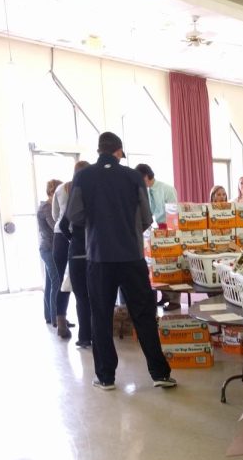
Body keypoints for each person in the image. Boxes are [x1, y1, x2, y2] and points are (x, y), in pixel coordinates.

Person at [66, 132, 177, 391]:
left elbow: (74, 214)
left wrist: (97, 224)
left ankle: (106, 377)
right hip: (131, 256)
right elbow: (147, 217)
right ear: (119, 152)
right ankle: (159, 373)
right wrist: (128, 228)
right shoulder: (133, 176)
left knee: (101, 316)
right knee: (144, 314)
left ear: (99, 150)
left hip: (99, 258)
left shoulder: (83, 176)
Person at [58, 160, 92, 348]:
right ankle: (98, 335)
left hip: (77, 253)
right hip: (95, 254)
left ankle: (84, 337)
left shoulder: (72, 198)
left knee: (81, 298)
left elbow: (63, 225)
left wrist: (74, 239)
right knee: (96, 297)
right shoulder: (97, 199)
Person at [136, 163, 179, 310]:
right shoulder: (145, 191)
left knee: (170, 264)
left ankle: (174, 300)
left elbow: (174, 212)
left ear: (146, 176)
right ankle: (164, 295)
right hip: (152, 230)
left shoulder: (166, 189)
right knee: (156, 265)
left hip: (168, 229)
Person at [50, 176, 75, 339]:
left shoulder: (59, 189)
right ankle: (89, 323)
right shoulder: (84, 186)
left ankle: (61, 323)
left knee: (62, 283)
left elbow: (55, 216)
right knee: (83, 283)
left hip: (59, 237)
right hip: (78, 237)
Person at [38, 179, 62, 326]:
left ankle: (49, 315)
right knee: (56, 282)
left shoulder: (44, 206)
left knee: (50, 282)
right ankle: (57, 319)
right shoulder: (47, 207)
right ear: (52, 192)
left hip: (46, 247)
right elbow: (55, 226)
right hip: (49, 248)